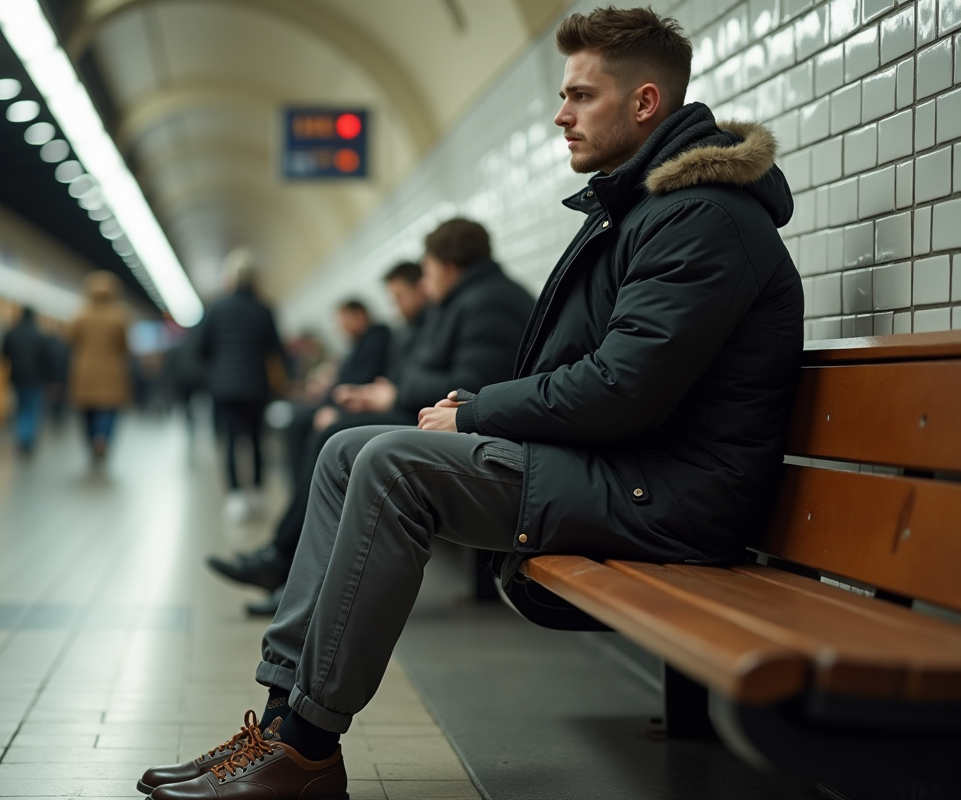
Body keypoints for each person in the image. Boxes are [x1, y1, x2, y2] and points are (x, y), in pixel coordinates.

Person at [138, 7, 803, 798]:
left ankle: (309, 747)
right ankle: (280, 724)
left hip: (672, 493)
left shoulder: (700, 218)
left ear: (645, 103)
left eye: (580, 96)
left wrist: (480, 413)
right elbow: (609, 370)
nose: (561, 114)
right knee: (348, 448)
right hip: (628, 467)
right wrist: (480, 401)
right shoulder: (649, 207)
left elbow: (625, 387)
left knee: (391, 464)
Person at [207, 219, 534, 615]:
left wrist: (395, 391)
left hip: (473, 435)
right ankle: (288, 569)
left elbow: (471, 387)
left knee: (340, 441)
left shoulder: (486, 302)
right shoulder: (472, 300)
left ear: (448, 267)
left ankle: (292, 576)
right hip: (450, 423)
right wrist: (389, 391)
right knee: (329, 433)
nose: (426, 285)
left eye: (427, 272)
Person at [198, 249, 285, 522]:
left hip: (225, 387)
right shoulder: (265, 309)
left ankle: (236, 497)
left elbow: (202, 347)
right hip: (256, 385)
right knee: (257, 439)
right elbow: (276, 350)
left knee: (232, 440)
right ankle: (258, 492)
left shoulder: (217, 309)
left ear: (231, 278)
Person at [283, 299, 390, 485]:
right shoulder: (358, 344)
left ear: (359, 316)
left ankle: (306, 491)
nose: (341, 327)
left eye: (343, 321)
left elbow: (358, 384)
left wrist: (334, 408)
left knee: (308, 426)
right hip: (345, 401)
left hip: (358, 404)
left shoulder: (376, 338)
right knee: (297, 420)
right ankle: (301, 489)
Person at [69, 271, 131, 466]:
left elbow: (70, 339)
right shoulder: (119, 316)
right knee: (108, 409)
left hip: (85, 371)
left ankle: (91, 442)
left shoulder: (81, 315)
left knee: (87, 410)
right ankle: (102, 438)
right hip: (112, 371)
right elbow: (124, 345)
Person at [0, 307, 55, 454]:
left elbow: (3, 354)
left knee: (21, 407)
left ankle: (22, 436)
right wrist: (51, 379)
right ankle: (27, 438)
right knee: (33, 408)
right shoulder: (40, 336)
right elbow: (47, 360)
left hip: (17, 377)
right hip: (36, 378)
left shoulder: (11, 334)